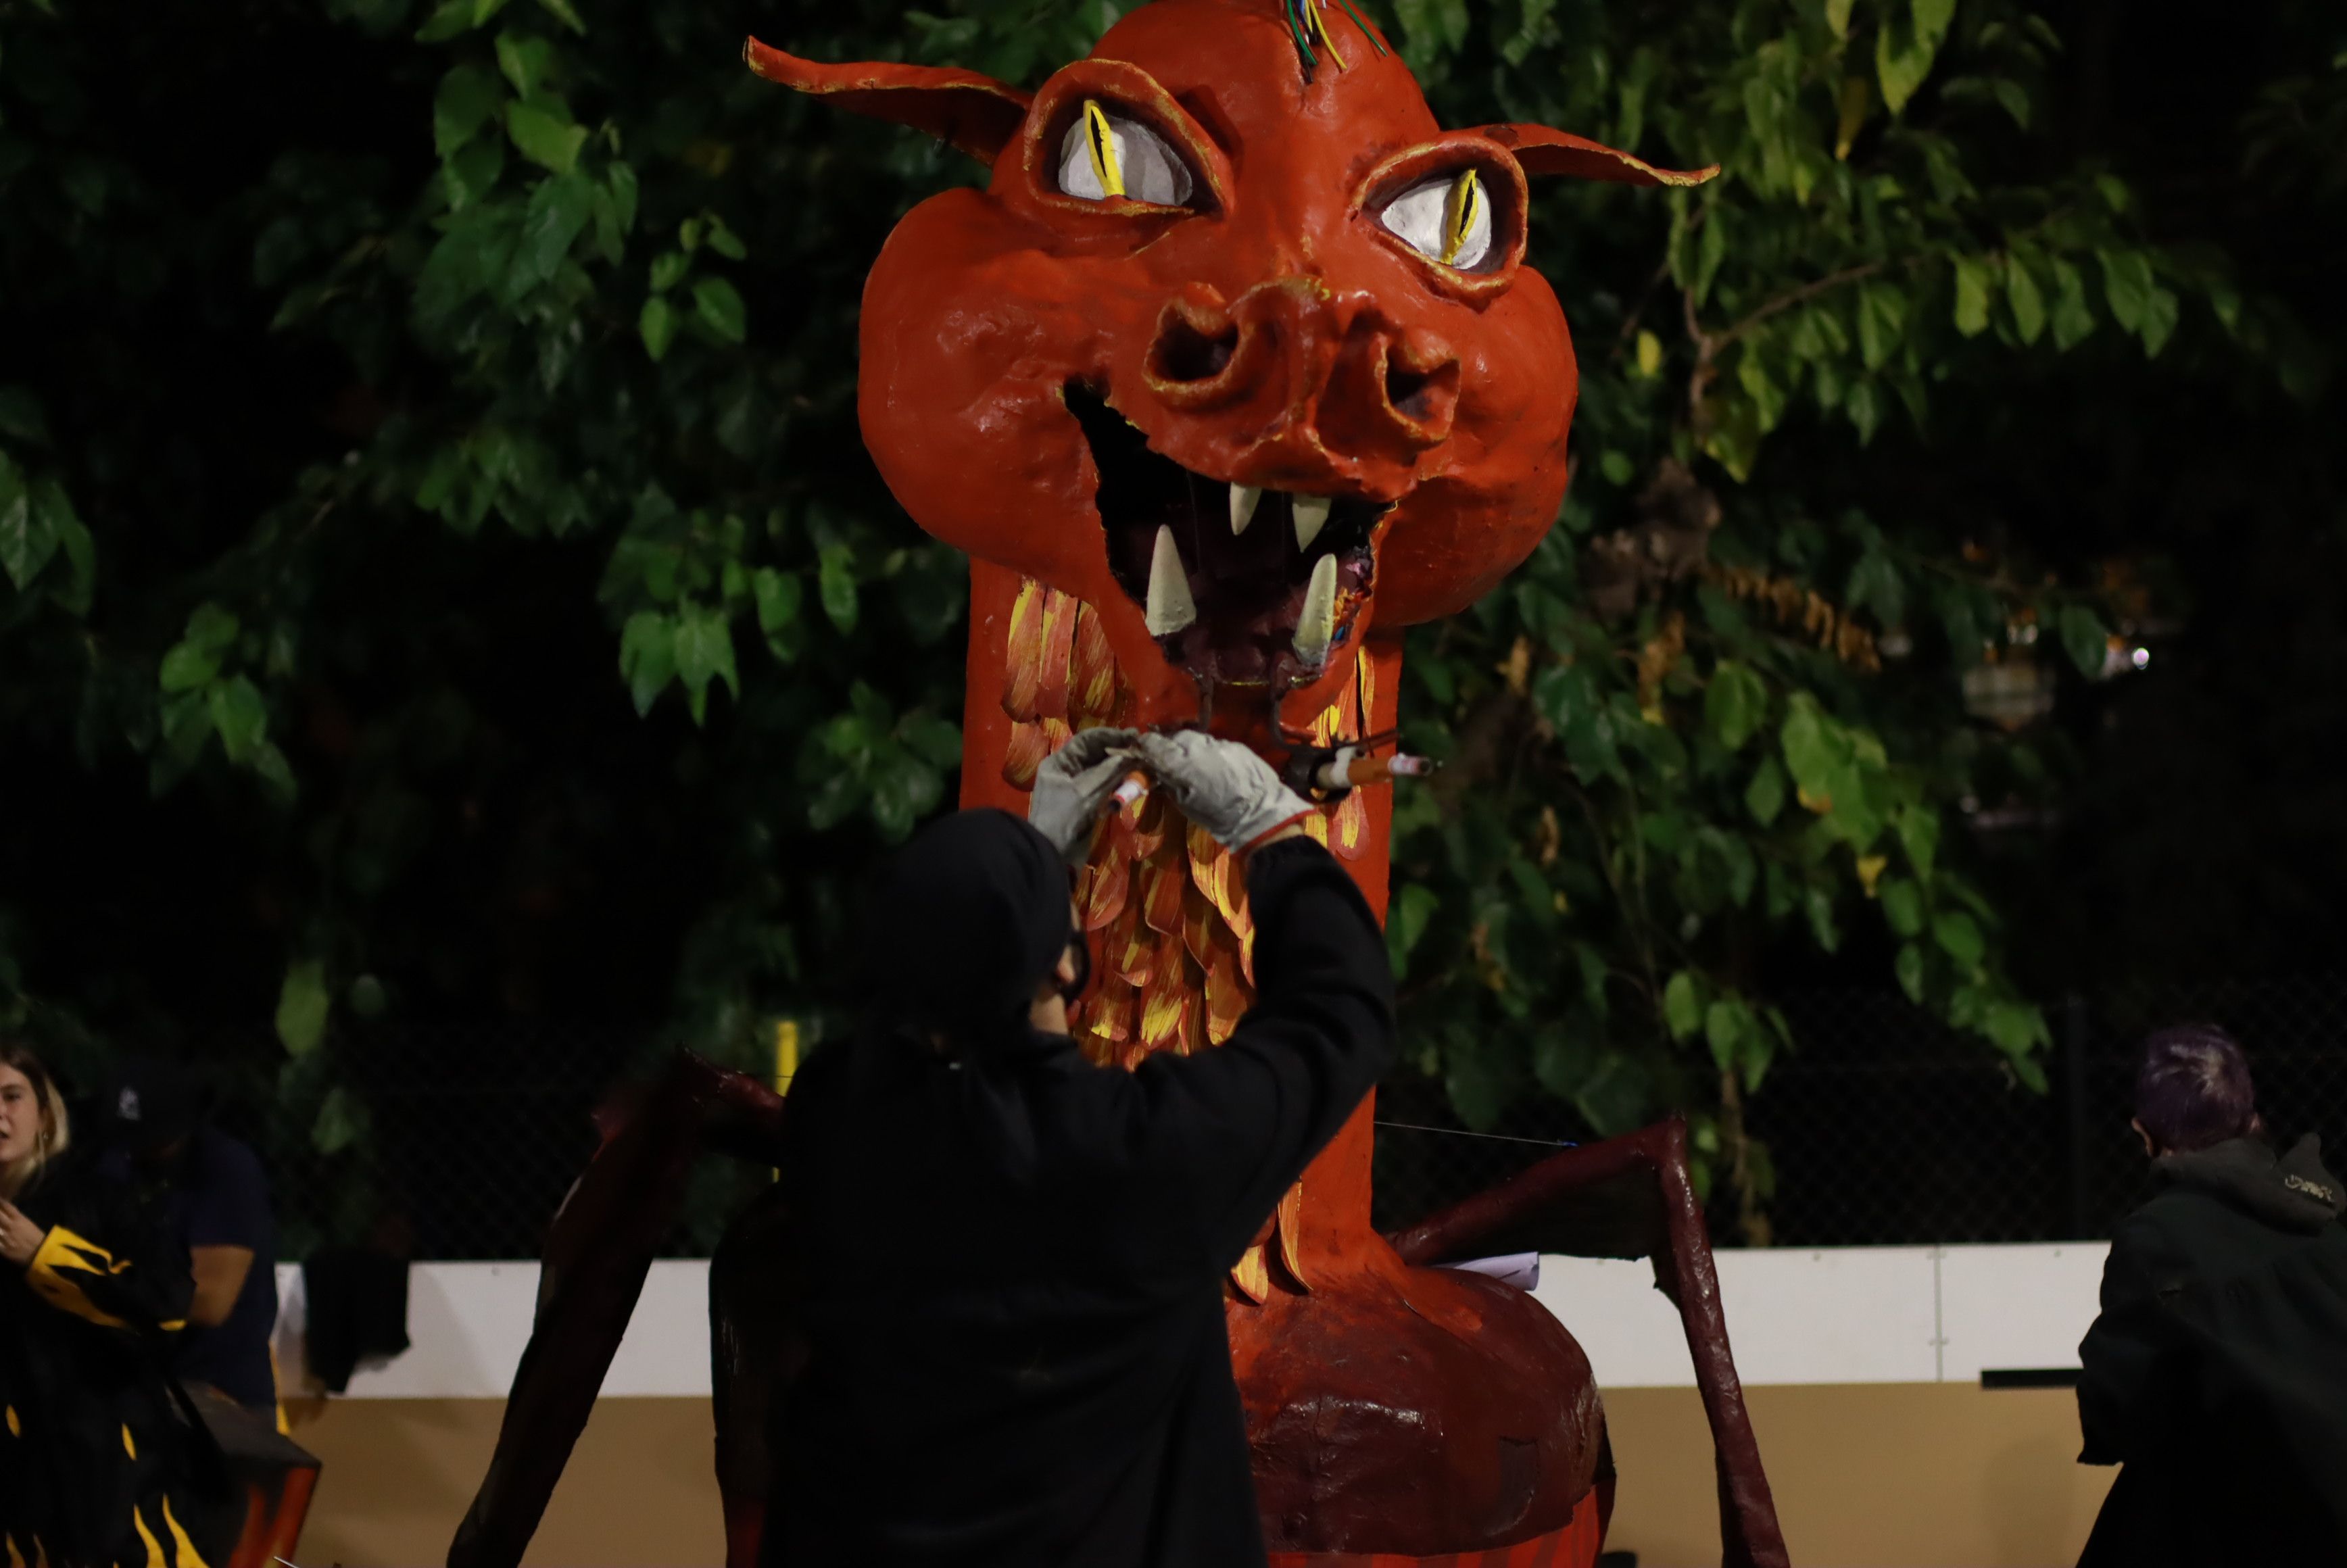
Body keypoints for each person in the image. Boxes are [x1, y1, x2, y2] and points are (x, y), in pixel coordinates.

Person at [760, 728, 1397, 1568]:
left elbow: (930, 1034)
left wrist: (1041, 868)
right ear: (1064, 967)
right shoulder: (1139, 1156)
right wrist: (1270, 830)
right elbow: (1338, 1014)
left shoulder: (839, 1122)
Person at [2075, 1023, 2347, 1565]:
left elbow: (2120, 1413)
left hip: (2259, 1524)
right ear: (2252, 1121)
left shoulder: (2157, 1238)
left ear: (2144, 1135)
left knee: (2153, 1497)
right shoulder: (2327, 1223)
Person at [0, 1040, 226, 1568]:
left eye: (12, 1096)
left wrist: (45, 1255)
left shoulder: (94, 1202)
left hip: (110, 1480)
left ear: (45, 1116)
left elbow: (166, 1305)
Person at [102, 1056, 281, 1416]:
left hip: (217, 1395)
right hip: (133, 1389)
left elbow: (211, 1302)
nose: (140, 1148)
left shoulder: (224, 1168)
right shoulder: (117, 1162)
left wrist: (90, 1282)